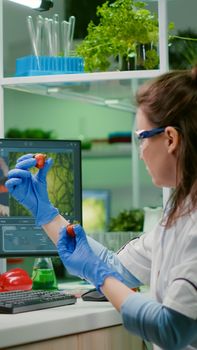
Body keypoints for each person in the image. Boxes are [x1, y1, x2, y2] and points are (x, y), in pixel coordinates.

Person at [5, 66, 197, 350]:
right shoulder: (179, 215)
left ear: (170, 138)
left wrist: (99, 274)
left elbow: (171, 329)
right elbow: (116, 268)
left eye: (141, 138)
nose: (140, 150)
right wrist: (45, 213)